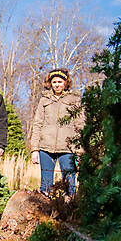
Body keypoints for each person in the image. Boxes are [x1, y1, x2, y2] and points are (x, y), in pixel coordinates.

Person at [30, 68, 84, 198]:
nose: (57, 85)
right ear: (50, 83)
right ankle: (45, 213)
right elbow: (37, 124)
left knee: (70, 184)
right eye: (54, 82)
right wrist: (35, 149)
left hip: (67, 148)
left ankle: (70, 212)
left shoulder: (74, 99)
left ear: (66, 83)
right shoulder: (44, 100)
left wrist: (79, 150)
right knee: (45, 185)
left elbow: (80, 125)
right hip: (46, 148)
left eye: (60, 81)